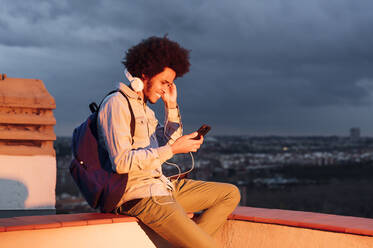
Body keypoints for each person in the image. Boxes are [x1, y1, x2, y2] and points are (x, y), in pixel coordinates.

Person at [97, 36, 240, 248]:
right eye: (164, 82)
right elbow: (122, 162)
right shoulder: (116, 104)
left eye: (170, 83)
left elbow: (164, 143)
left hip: (161, 187)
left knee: (230, 194)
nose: (166, 88)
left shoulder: (145, 109)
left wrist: (171, 106)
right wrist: (173, 149)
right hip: (139, 196)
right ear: (145, 75)